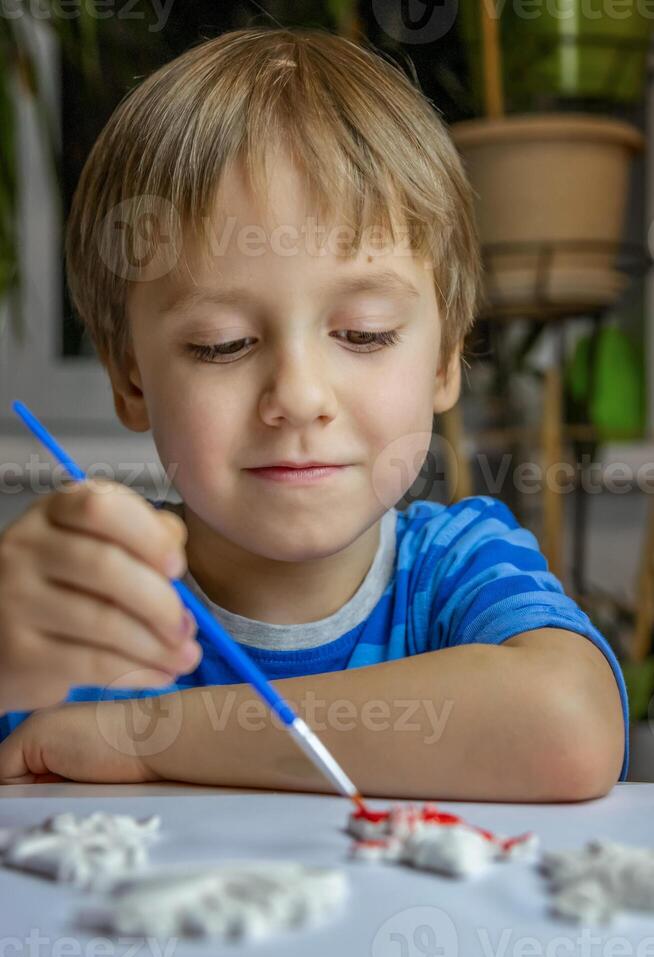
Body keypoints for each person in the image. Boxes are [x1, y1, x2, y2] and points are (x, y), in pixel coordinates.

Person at [0, 28, 628, 800]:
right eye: (221, 345)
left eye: (363, 333)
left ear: (441, 361)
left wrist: (144, 739)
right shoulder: (91, 593)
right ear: (131, 380)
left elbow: (565, 727)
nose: (298, 396)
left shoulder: (457, 567)